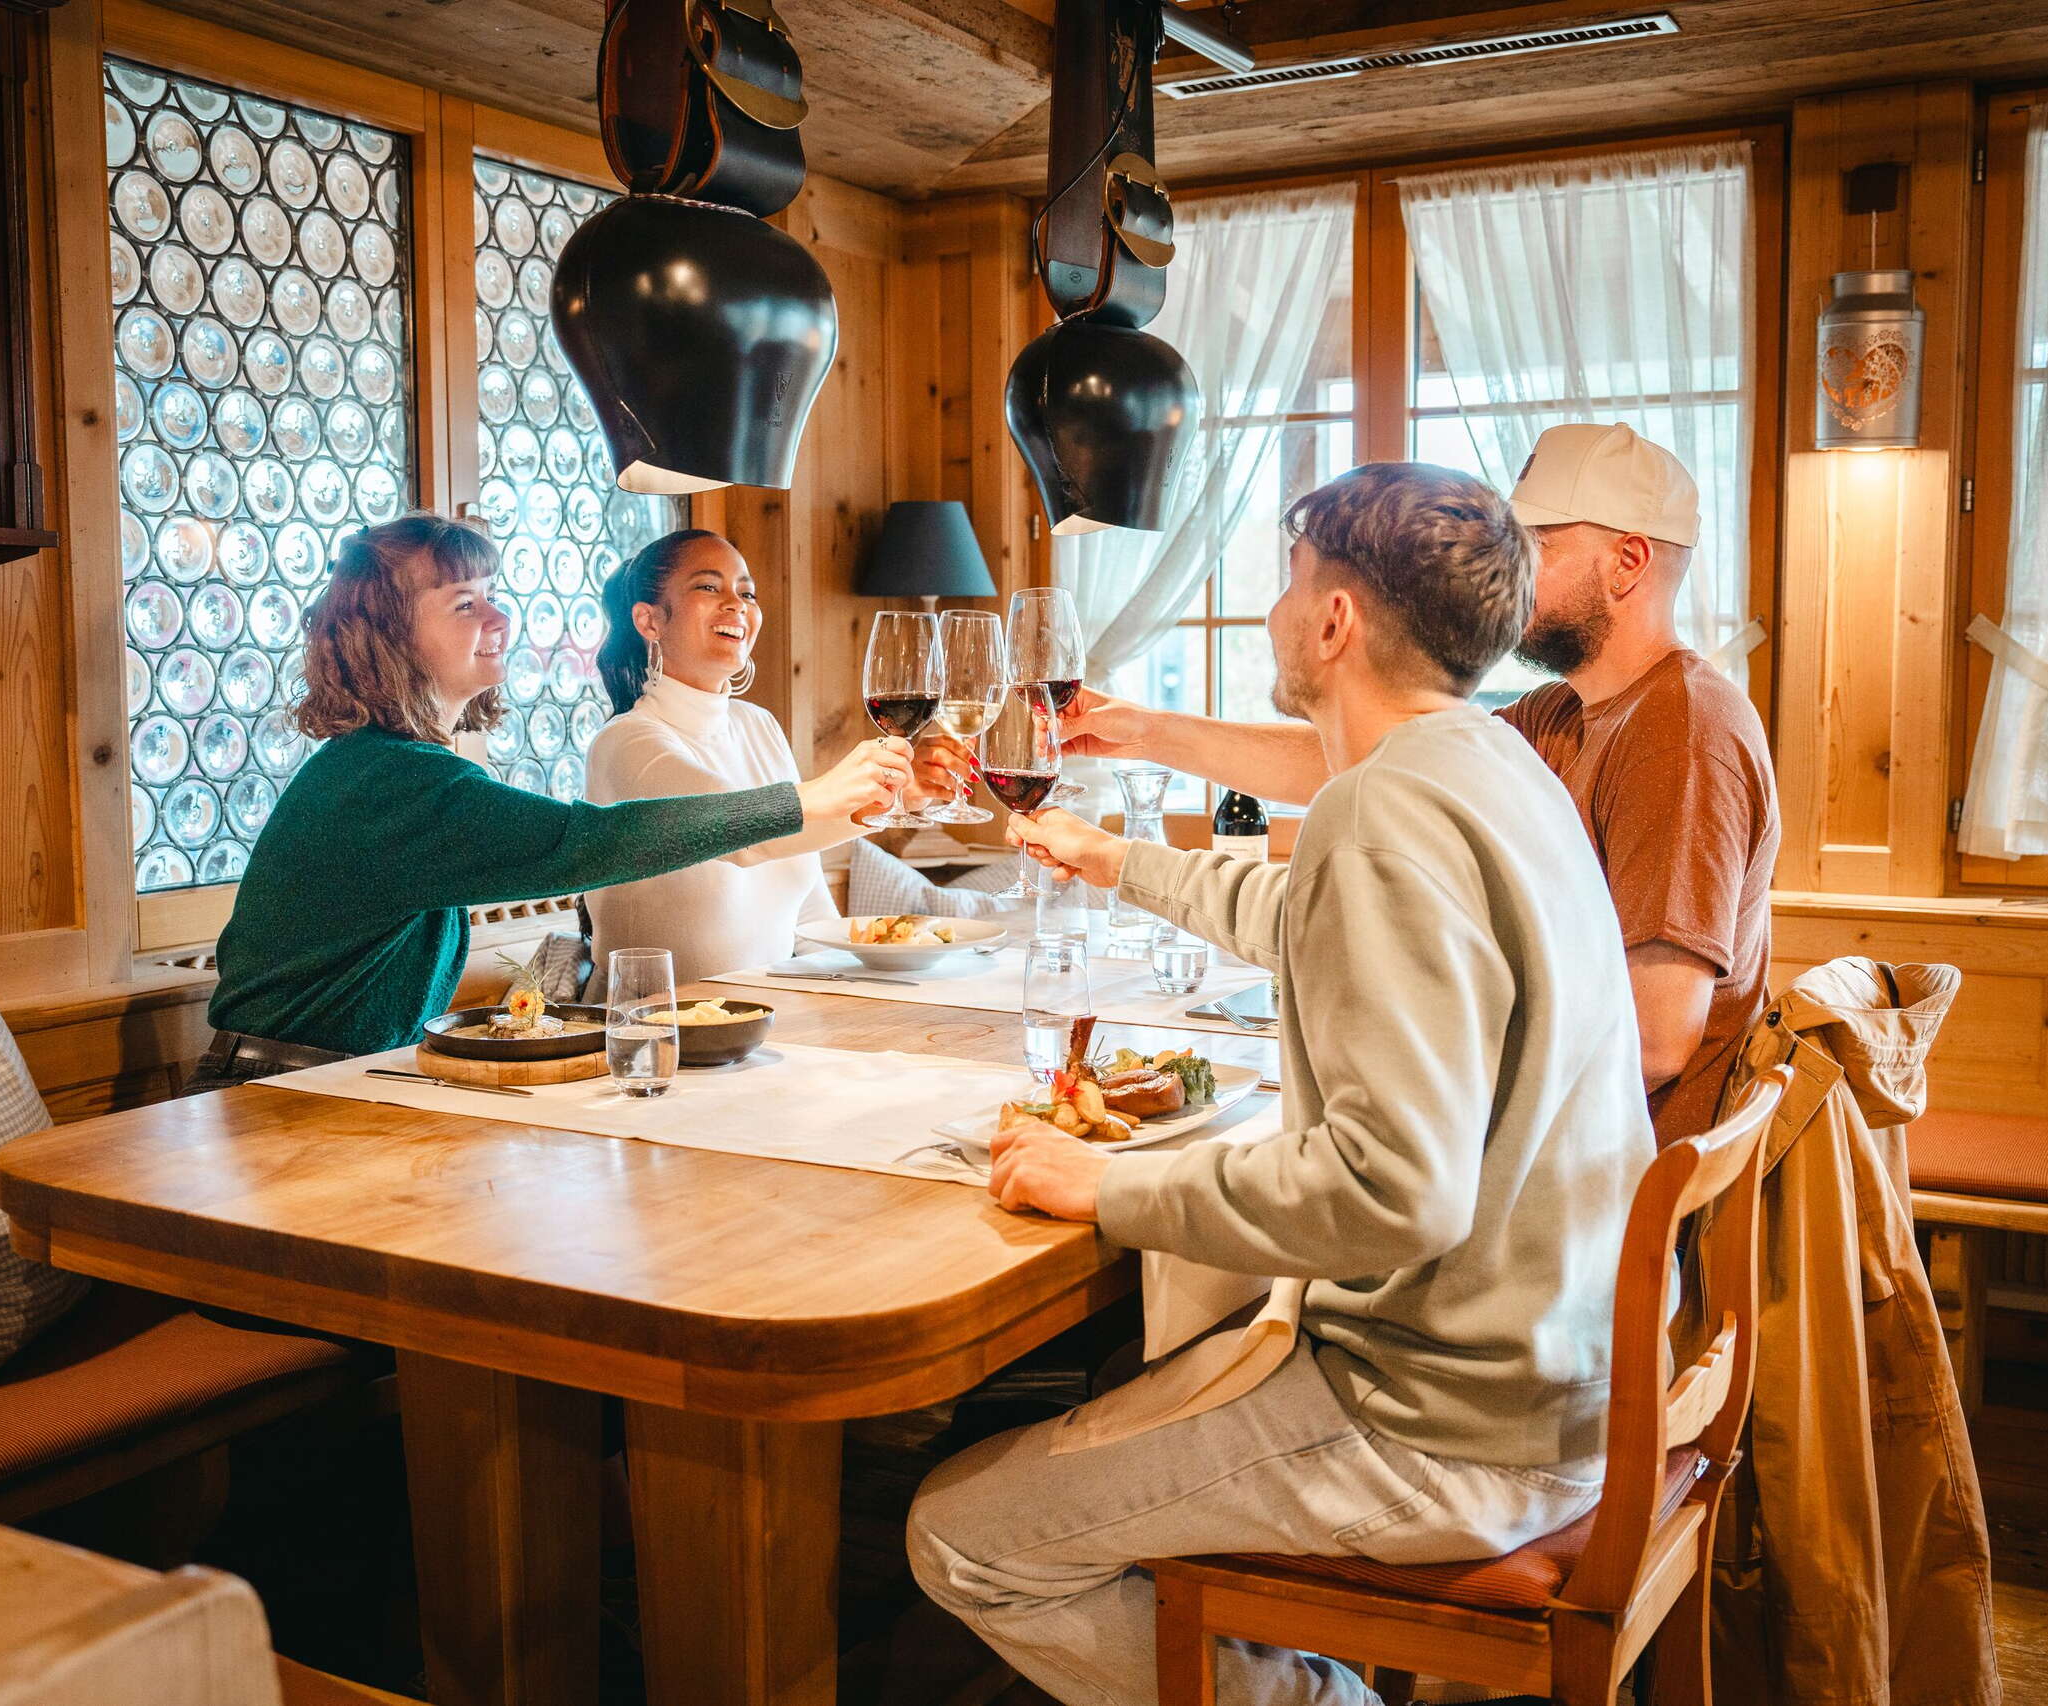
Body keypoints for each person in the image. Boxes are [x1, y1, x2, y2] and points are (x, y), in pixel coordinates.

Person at [905, 463, 1656, 1706]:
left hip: (1443, 1430)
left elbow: (1393, 1192)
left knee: (959, 1533)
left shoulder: (1381, 809)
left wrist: (1114, 1182)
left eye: (1285, 583)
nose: (1271, 613)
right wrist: (1117, 860)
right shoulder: (1487, 764)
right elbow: (1317, 909)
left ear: (1332, 620)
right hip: (1557, 1380)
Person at [1059, 423, 1776, 1144]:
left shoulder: (1682, 730)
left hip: (1610, 1187)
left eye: (1542, 547)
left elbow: (1655, 1040)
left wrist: (1417, 1070)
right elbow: (1374, 759)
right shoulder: (1568, 709)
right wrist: (1148, 732)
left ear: (1628, 562)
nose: (1515, 572)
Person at [194, 513, 911, 1087]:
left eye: (492, 595)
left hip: (334, 1081)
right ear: (389, 634)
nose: (499, 617)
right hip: (273, 1092)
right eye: (465, 604)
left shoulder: (389, 768)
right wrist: (805, 800)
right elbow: (590, 844)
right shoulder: (387, 780)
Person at [583, 530, 871, 984]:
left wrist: (848, 990)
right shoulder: (626, 744)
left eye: (747, 592)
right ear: (649, 621)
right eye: (708, 586)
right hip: (655, 1028)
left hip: (770, 1021)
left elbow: (811, 912)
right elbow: (741, 832)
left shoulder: (759, 726)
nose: (737, 604)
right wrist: (867, 794)